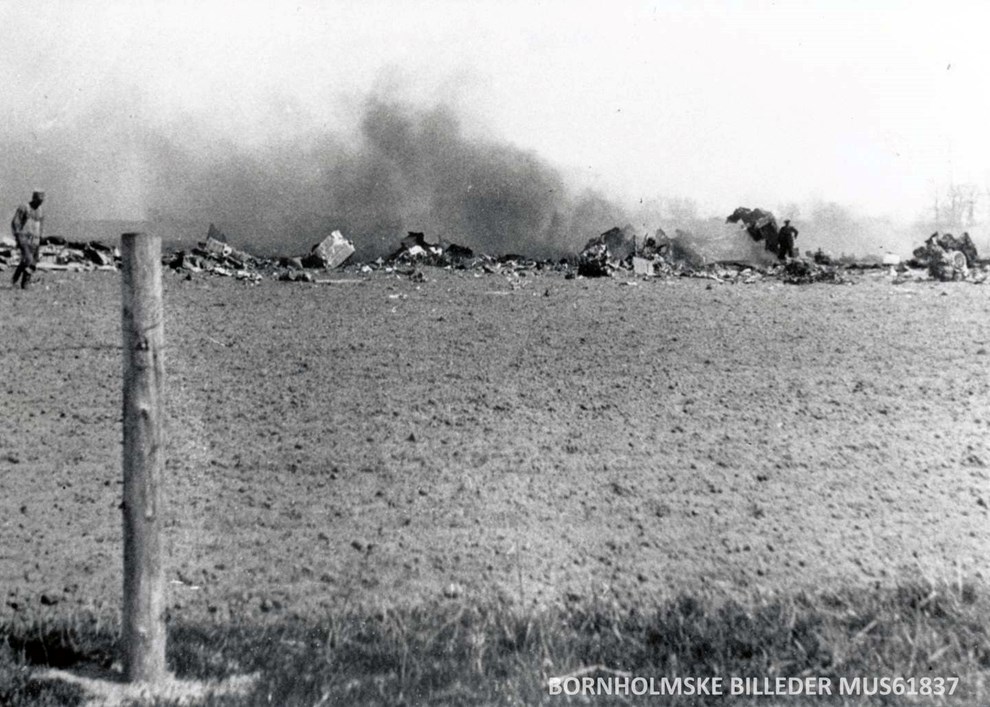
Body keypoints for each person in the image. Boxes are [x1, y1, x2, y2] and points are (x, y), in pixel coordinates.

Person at [11, 190, 45, 289]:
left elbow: (40, 224)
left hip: (36, 239)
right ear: (34, 198)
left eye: (42, 200)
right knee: (28, 259)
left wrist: (41, 236)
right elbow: (16, 222)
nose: (40, 202)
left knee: (33, 262)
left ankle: (24, 281)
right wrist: (18, 236)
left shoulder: (40, 210)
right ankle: (19, 277)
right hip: (24, 238)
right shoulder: (24, 207)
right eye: (38, 200)